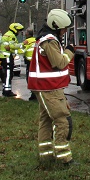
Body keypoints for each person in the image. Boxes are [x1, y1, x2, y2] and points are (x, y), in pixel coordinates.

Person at [27, 9, 76, 166]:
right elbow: (59, 62)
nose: (65, 31)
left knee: (46, 120)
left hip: (45, 86)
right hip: (48, 87)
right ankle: (64, 158)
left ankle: (46, 156)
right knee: (63, 120)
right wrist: (70, 51)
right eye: (64, 28)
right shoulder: (49, 41)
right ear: (57, 26)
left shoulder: (47, 38)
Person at [0, 22, 24, 97]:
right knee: (8, 74)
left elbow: (9, 47)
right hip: (7, 57)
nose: (19, 32)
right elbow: (12, 46)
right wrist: (22, 44)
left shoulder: (6, 34)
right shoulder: (11, 36)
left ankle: (5, 89)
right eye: (19, 30)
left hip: (4, 56)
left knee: (6, 74)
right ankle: (7, 91)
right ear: (15, 29)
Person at [22, 28, 37, 101]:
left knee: (29, 78)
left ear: (28, 34)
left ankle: (33, 94)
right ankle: (35, 93)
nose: (25, 33)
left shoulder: (27, 41)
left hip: (29, 62)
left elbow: (21, 50)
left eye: (26, 32)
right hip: (35, 62)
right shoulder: (35, 40)